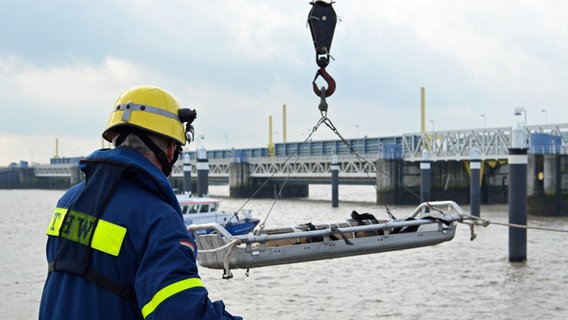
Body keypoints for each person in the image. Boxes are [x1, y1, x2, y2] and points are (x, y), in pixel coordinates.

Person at [39, 85, 242, 320]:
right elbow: (182, 313)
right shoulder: (157, 219)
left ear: (116, 138)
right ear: (169, 150)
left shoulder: (68, 201)